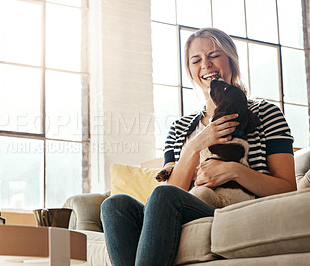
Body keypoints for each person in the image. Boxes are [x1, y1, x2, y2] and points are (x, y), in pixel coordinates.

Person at [100, 27, 297, 266]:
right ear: (191, 70)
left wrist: (235, 171)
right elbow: (170, 193)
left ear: (230, 60)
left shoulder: (264, 113)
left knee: (163, 196)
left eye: (214, 55)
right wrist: (194, 147)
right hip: (181, 207)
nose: (206, 64)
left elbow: (287, 189)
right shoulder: (179, 128)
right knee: (115, 204)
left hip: (234, 210)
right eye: (196, 60)